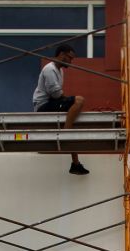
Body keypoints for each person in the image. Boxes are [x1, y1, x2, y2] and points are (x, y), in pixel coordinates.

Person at [32, 44, 89, 175]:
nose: (71, 61)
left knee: (71, 119)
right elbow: (56, 94)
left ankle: (76, 164)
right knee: (79, 100)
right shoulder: (50, 69)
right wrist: (69, 100)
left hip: (51, 103)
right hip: (43, 107)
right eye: (70, 57)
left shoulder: (60, 71)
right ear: (62, 55)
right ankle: (66, 133)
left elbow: (58, 95)